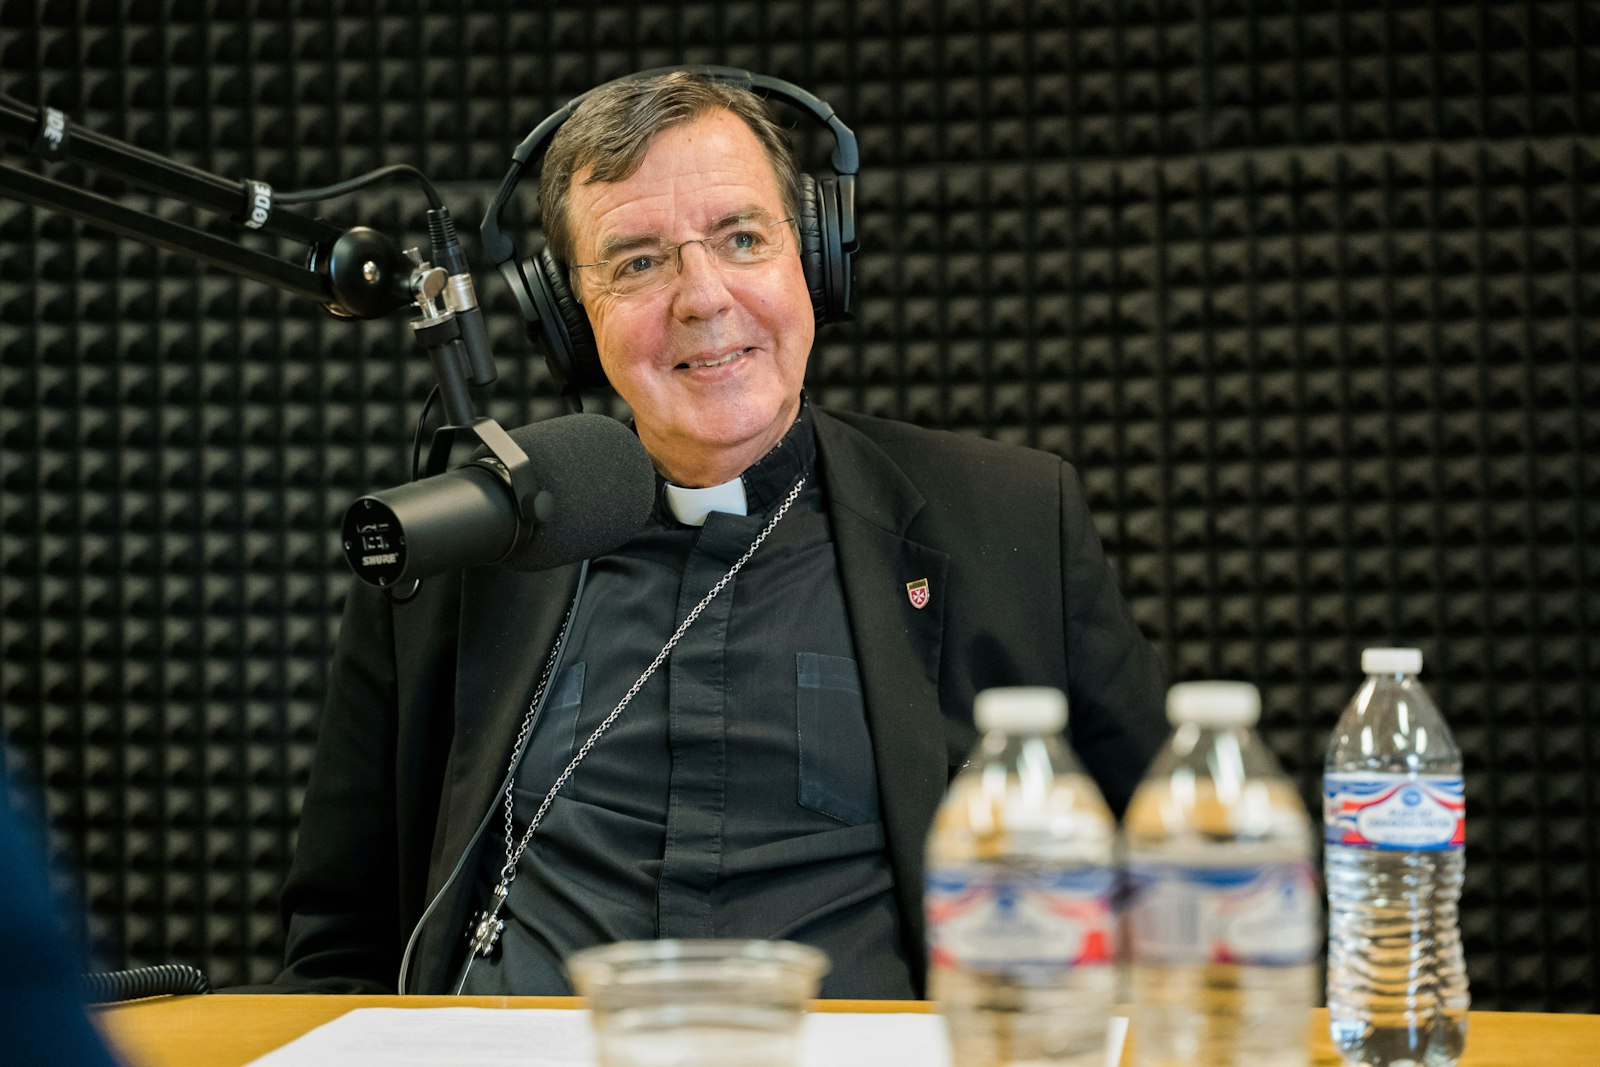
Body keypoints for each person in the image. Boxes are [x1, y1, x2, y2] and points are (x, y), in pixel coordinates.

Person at [273, 70, 1166, 999]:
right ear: (570, 318)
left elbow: (1177, 869)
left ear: (814, 259)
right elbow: (341, 939)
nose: (703, 297)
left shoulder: (1009, 523)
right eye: (638, 261)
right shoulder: (460, 543)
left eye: (742, 238)